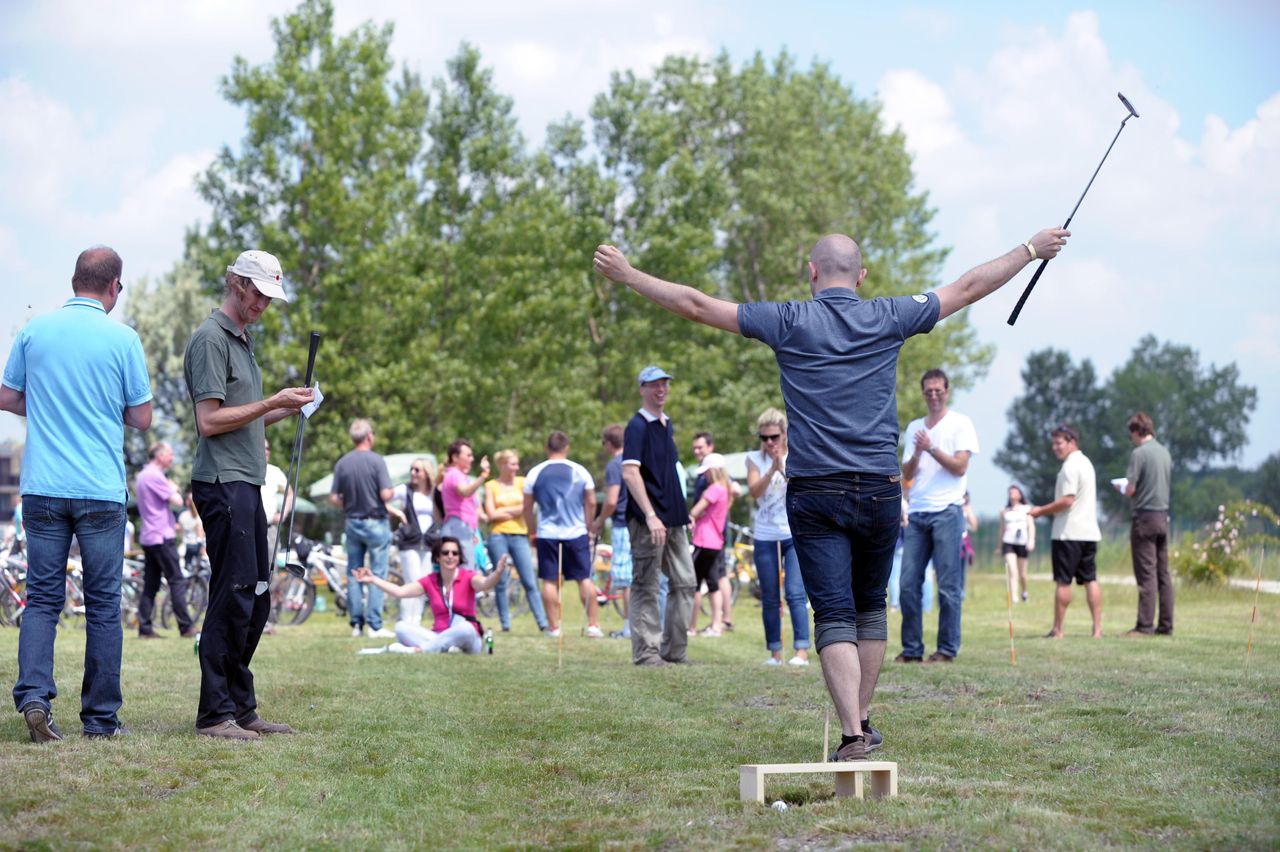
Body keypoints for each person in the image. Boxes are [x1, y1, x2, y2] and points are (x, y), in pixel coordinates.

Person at [594, 225, 1069, 758]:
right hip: (882, 487)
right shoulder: (890, 314)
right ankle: (861, 722)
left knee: (835, 615)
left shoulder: (789, 319)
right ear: (861, 276)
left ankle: (851, 734)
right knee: (869, 609)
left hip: (817, 490)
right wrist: (1031, 250)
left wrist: (628, 275)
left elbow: (697, 305)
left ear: (812, 273)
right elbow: (969, 286)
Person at [2, 246, 152, 741]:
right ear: (115, 287)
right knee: (104, 604)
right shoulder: (123, 339)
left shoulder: (34, 331)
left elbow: (6, 396)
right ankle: (101, 720)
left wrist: (47, 403)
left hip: (43, 487)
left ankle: (34, 698)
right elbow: (142, 416)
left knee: (43, 600)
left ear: (73, 280)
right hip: (99, 490)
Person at [184, 248, 313, 740]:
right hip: (221, 482)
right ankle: (214, 714)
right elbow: (209, 421)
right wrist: (271, 400)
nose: (263, 304)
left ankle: (240, 707)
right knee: (235, 594)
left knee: (257, 597)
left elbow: (249, 415)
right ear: (237, 284)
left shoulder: (242, 341)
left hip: (246, 482)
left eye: (269, 297)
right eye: (259, 293)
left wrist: (290, 405)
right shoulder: (210, 340)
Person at [896, 369, 979, 664]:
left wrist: (931, 448)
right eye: (928, 391)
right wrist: (918, 451)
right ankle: (911, 649)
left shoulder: (961, 424)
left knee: (948, 585)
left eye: (938, 390)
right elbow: (906, 473)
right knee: (907, 584)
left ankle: (946, 649)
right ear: (923, 394)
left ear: (947, 391)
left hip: (947, 511)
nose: (933, 395)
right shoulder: (915, 427)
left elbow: (960, 467)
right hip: (918, 512)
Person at [617, 366, 697, 666]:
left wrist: (683, 510)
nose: (660, 389)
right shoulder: (637, 426)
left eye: (664, 384)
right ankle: (647, 652)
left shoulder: (666, 424)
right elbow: (630, 472)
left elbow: (670, 473)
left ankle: (674, 650)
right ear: (642, 389)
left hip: (674, 520)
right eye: (654, 385)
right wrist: (650, 515)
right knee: (646, 585)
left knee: (686, 582)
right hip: (647, 521)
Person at [354, 537, 515, 653]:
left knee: (465, 628)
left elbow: (486, 583)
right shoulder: (430, 581)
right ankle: (444, 648)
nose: (450, 556)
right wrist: (373, 579)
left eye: (455, 553)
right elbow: (400, 591)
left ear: (459, 557)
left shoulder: (468, 576)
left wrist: (498, 572)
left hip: (467, 639)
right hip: (438, 635)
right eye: (445, 553)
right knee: (401, 627)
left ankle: (420, 650)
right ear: (438, 557)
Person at [746, 408, 811, 667]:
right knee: (770, 596)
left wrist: (782, 466)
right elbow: (754, 491)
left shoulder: (796, 455)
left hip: (792, 533)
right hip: (765, 535)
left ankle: (801, 651)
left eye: (774, 437)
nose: (769, 443)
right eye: (764, 438)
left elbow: (801, 487)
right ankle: (775, 652)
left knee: (795, 593)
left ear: (784, 434)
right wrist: (771, 468)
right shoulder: (754, 459)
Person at [523, 431, 602, 638]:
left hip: (547, 533)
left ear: (547, 448)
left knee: (549, 580)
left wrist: (532, 532)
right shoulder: (580, 471)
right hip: (576, 532)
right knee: (584, 578)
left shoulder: (534, 473)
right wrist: (588, 526)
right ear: (566, 448)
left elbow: (527, 508)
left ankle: (554, 628)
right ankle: (593, 625)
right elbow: (592, 502)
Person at [1029, 425, 1103, 638]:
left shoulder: (1070, 467)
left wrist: (1041, 511)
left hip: (1068, 533)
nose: (1054, 448)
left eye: (1058, 443)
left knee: (1063, 581)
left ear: (1071, 442)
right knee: (1091, 579)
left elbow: (1067, 500)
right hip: (1089, 532)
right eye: (1053, 443)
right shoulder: (1087, 463)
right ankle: (1097, 630)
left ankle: (1058, 629)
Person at [329, 418, 396, 639]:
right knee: (377, 574)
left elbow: (333, 498)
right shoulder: (377, 461)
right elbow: (386, 494)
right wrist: (394, 492)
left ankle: (356, 624)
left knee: (354, 573)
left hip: (352, 523)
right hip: (375, 522)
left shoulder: (342, 464)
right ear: (369, 436)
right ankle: (375, 626)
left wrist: (349, 501)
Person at [1120, 412, 1174, 637]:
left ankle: (1144, 626)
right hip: (1163, 516)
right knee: (1163, 573)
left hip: (1144, 517)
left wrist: (1121, 489)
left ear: (1136, 431)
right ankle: (1166, 625)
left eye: (1130, 434)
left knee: (1146, 574)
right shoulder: (1165, 452)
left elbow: (1131, 489)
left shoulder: (1139, 454)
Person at [135, 441, 195, 639]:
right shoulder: (156, 476)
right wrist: (174, 487)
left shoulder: (142, 475)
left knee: (151, 584)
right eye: (170, 454)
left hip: (148, 536)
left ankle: (145, 628)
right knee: (176, 581)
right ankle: (186, 627)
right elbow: (178, 501)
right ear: (159, 456)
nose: (173, 458)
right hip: (162, 536)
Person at [484, 449, 549, 633]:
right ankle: (505, 624)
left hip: (520, 535)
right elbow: (491, 514)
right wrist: (516, 509)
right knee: (501, 580)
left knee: (529, 580)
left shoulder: (522, 482)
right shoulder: (491, 486)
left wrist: (503, 512)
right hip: (498, 536)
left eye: (516, 463)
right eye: (512, 464)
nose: (516, 467)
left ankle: (542, 623)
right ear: (503, 465)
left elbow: (528, 506)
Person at [689, 431, 735, 634]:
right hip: (715, 541)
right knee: (713, 583)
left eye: (707, 471)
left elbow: (695, 511)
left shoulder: (713, 489)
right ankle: (716, 624)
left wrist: (692, 516)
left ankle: (691, 625)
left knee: (694, 584)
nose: (704, 474)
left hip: (704, 540)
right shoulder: (725, 489)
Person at [387, 456, 440, 629]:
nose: (413, 473)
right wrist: (398, 513)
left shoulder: (434, 492)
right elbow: (383, 498)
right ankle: (405, 621)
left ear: (426, 473)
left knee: (424, 583)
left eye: (417, 470)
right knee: (412, 581)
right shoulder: (405, 490)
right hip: (409, 542)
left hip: (429, 543)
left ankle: (415, 621)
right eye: (412, 469)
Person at [591, 424, 632, 639]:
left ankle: (629, 627)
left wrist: (599, 520)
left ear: (608, 443)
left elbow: (612, 500)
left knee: (626, 580)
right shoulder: (637, 461)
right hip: (640, 523)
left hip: (623, 525)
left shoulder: (615, 465)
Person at [441, 439, 489, 567]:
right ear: (455, 457)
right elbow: (465, 492)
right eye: (468, 455)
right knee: (465, 572)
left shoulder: (459, 476)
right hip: (458, 526)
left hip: (463, 527)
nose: (472, 459)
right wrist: (483, 476)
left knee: (467, 570)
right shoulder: (455, 475)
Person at [998, 485, 1035, 604]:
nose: (1012, 494)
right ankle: (1014, 597)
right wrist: (999, 546)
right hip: (1008, 542)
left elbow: (1031, 526)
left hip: (1022, 543)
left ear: (1020, 495)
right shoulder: (1004, 510)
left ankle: (1024, 592)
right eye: (1010, 492)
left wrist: (1031, 540)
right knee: (1012, 571)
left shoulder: (1027, 509)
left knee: (1022, 574)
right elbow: (1002, 528)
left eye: (1014, 492)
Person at [261, 438, 293, 568]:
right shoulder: (244, 469)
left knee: (269, 569)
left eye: (268, 448)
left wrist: (282, 515)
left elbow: (290, 494)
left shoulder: (274, 471)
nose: (266, 451)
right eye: (263, 448)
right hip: (248, 530)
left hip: (269, 530)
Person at [178, 492, 206, 577]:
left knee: (186, 570)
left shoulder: (182, 516)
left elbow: (180, 533)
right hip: (196, 546)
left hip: (186, 546)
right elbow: (200, 534)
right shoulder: (199, 516)